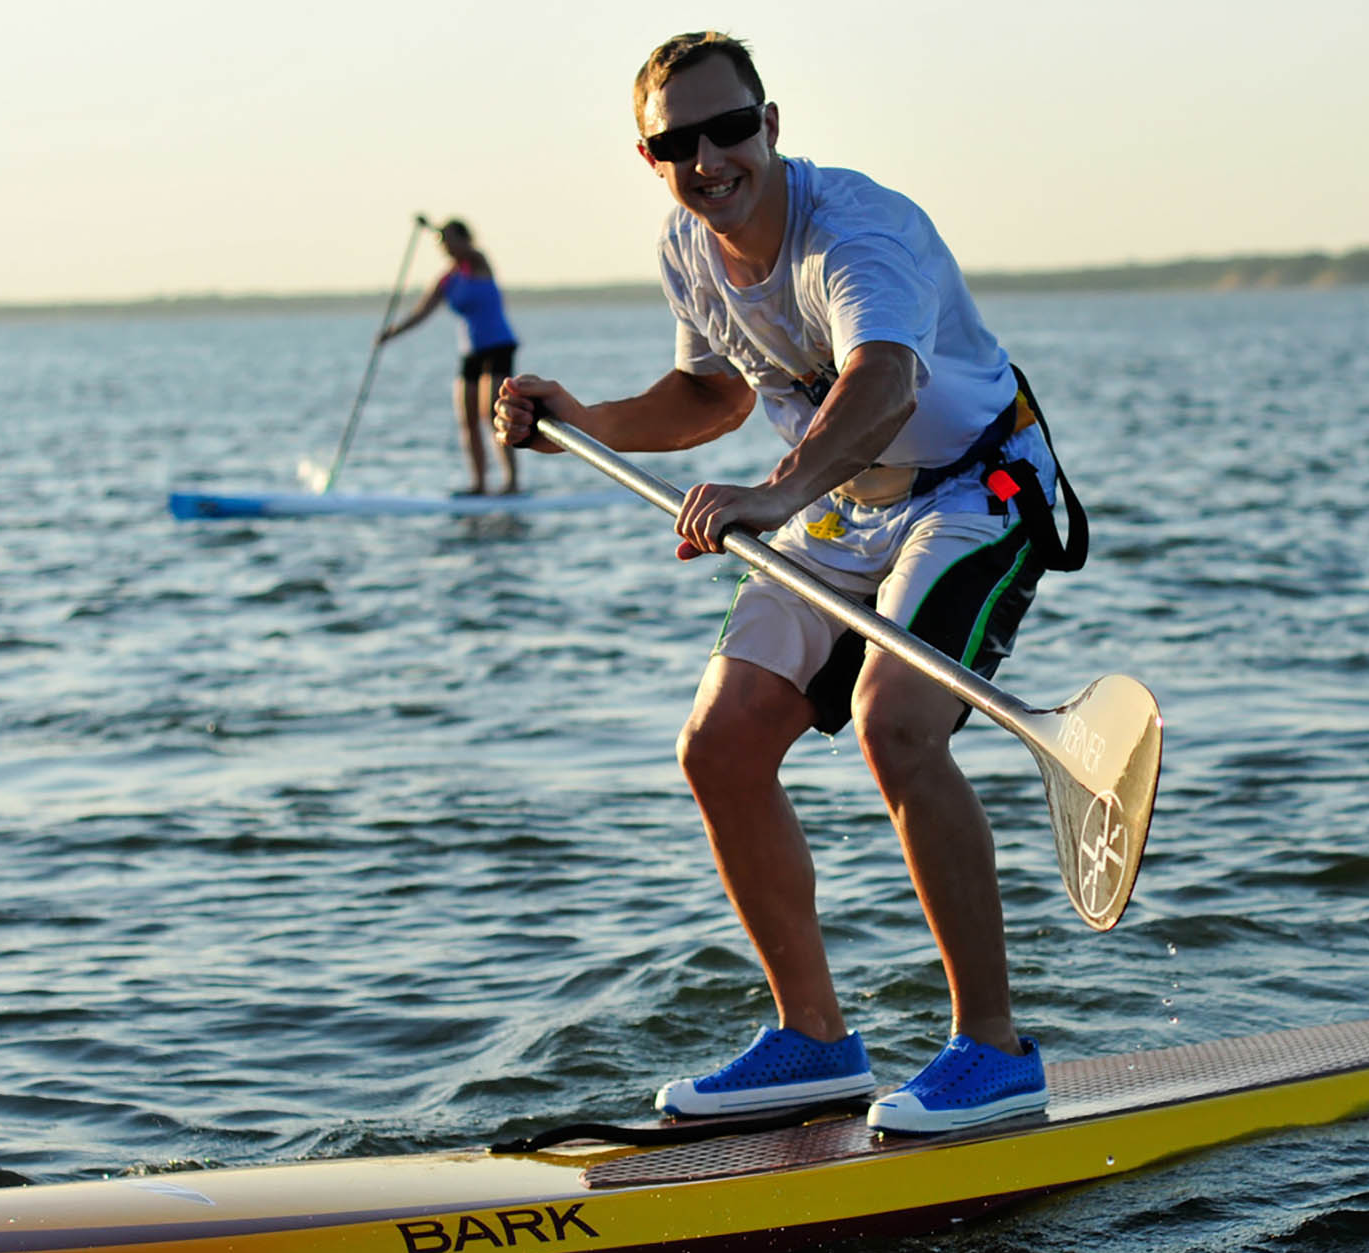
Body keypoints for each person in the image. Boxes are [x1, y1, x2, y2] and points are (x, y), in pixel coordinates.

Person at [495, 31, 1084, 1134]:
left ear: (769, 127)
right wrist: (588, 420)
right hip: (830, 500)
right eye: (680, 141)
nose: (709, 157)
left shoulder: (856, 231)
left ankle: (995, 1051)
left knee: (894, 723)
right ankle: (813, 1042)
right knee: (716, 746)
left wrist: (772, 492)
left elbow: (885, 380)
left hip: (971, 487)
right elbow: (710, 394)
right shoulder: (684, 245)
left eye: (729, 129)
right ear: (650, 157)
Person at [379, 219, 521, 495]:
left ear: (464, 239)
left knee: (492, 414)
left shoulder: (478, 263)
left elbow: (466, 250)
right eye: (443, 243)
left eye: (449, 240)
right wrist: (391, 334)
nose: (445, 247)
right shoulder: (447, 280)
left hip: (499, 346)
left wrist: (433, 229)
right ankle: (479, 484)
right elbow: (421, 312)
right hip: (472, 352)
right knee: (467, 419)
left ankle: (511, 482)